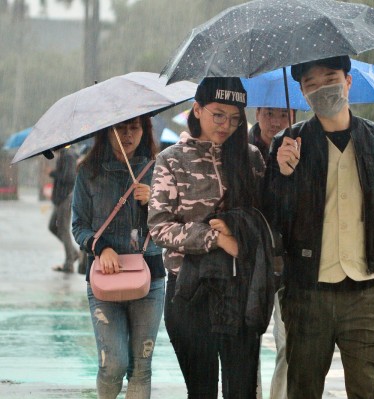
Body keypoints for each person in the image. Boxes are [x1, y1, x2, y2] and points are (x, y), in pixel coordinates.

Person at [264, 55, 374, 399]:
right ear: (302, 93)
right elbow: (273, 218)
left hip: (365, 292)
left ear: (348, 81)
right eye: (311, 83)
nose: (322, 88)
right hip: (307, 292)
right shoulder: (287, 143)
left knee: (365, 389)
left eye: (330, 78)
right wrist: (285, 175)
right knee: (303, 389)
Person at [148, 77, 269, 399]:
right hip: (190, 289)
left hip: (240, 288)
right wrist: (215, 239)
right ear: (197, 109)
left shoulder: (252, 157)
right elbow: (159, 227)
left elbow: (267, 218)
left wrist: (284, 171)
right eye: (218, 114)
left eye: (234, 118)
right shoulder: (171, 159)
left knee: (241, 389)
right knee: (201, 390)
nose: (226, 125)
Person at [71, 115, 166, 398]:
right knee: (113, 363)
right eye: (121, 128)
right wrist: (101, 248)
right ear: (107, 132)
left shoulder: (158, 169)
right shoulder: (88, 171)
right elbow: (78, 225)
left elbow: (172, 222)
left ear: (144, 130)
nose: (128, 135)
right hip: (105, 279)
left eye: (134, 128)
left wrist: (155, 202)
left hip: (149, 278)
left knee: (141, 366)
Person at [249, 106, 296, 399]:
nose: (276, 122)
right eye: (269, 114)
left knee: (289, 342)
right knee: (249, 341)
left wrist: (289, 170)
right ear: (257, 113)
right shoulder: (241, 151)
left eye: (283, 114)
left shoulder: (301, 147)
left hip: (290, 258)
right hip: (251, 260)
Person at [49, 146, 79, 273]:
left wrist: (53, 173)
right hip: (60, 197)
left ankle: (69, 263)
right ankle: (73, 253)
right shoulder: (64, 154)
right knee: (53, 226)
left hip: (65, 197)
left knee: (63, 228)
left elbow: (69, 177)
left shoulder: (68, 155)